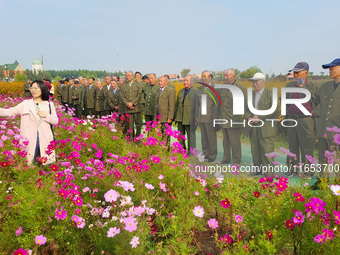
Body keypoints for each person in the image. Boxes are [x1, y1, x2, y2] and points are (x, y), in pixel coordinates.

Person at [0, 80, 58, 165]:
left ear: (42, 89)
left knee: (45, 163)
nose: (33, 90)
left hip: (44, 137)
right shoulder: (26, 104)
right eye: (31, 88)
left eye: (36, 88)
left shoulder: (49, 104)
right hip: (28, 138)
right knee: (29, 162)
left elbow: (55, 120)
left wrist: (46, 116)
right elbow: (10, 111)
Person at [285, 62, 316, 176]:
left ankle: (308, 172)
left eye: (299, 72)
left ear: (306, 73)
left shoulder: (313, 85)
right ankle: (292, 169)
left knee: (306, 147)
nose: (296, 75)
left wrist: (304, 88)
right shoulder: (289, 86)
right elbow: (283, 99)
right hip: (292, 119)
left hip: (306, 120)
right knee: (292, 146)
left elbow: (318, 101)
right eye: (295, 73)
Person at [245, 73, 278, 175]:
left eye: (257, 81)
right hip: (253, 127)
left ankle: (269, 173)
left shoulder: (271, 94)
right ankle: (258, 169)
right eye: (253, 82)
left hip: (266, 128)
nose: (255, 84)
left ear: (263, 82)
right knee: (255, 149)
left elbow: (274, 110)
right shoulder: (251, 95)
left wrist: (259, 117)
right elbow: (246, 109)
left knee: (267, 150)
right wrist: (249, 117)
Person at [308, 59, 340, 165]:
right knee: (322, 158)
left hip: (337, 132)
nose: (330, 70)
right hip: (323, 130)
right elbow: (313, 99)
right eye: (329, 69)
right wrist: (303, 86)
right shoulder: (325, 86)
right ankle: (321, 179)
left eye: (333, 68)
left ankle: (336, 180)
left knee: (337, 160)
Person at [218, 68, 247, 165]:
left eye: (227, 75)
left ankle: (236, 162)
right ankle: (226, 159)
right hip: (224, 118)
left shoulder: (241, 88)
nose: (225, 77)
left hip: (234, 120)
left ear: (234, 76)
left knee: (235, 142)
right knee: (225, 141)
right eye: (224, 75)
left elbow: (245, 104)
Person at [196, 70, 219, 162]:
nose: (203, 78)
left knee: (211, 137)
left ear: (210, 77)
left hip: (210, 117)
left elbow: (217, 105)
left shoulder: (214, 89)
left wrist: (215, 118)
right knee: (204, 137)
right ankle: (205, 153)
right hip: (201, 117)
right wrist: (197, 117)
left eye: (205, 76)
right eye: (202, 76)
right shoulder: (201, 89)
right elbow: (199, 104)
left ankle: (212, 155)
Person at [175, 75, 198, 151]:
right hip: (180, 117)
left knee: (191, 136)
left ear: (192, 82)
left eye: (187, 81)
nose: (185, 82)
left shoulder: (195, 92)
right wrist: (175, 116)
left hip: (190, 118)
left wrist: (196, 118)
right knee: (180, 135)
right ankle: (182, 150)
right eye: (184, 81)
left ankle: (191, 152)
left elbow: (198, 106)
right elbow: (177, 104)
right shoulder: (181, 91)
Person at [120, 71, 142, 140]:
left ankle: (138, 139)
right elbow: (122, 96)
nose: (128, 77)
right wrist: (127, 104)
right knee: (129, 126)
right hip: (128, 109)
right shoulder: (123, 86)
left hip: (136, 108)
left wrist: (132, 103)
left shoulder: (138, 84)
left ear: (133, 76)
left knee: (138, 125)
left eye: (129, 75)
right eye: (127, 76)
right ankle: (131, 139)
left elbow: (139, 95)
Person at [155, 76, 176, 144]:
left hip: (166, 118)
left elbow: (172, 105)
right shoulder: (158, 90)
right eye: (159, 81)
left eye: (161, 81)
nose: (160, 83)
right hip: (158, 117)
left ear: (166, 82)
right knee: (159, 136)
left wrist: (170, 117)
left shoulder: (170, 90)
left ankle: (166, 151)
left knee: (166, 136)